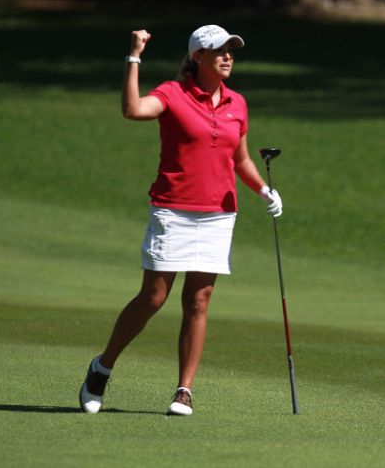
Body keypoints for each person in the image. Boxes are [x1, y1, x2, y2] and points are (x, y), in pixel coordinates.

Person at [79, 25, 283, 416]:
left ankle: (183, 390)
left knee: (199, 300)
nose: (227, 57)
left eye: (231, 51)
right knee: (153, 297)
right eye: (218, 51)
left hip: (218, 214)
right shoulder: (172, 94)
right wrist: (134, 56)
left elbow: (239, 159)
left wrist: (263, 190)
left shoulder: (237, 103)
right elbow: (133, 110)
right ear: (197, 58)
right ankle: (102, 367)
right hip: (173, 209)